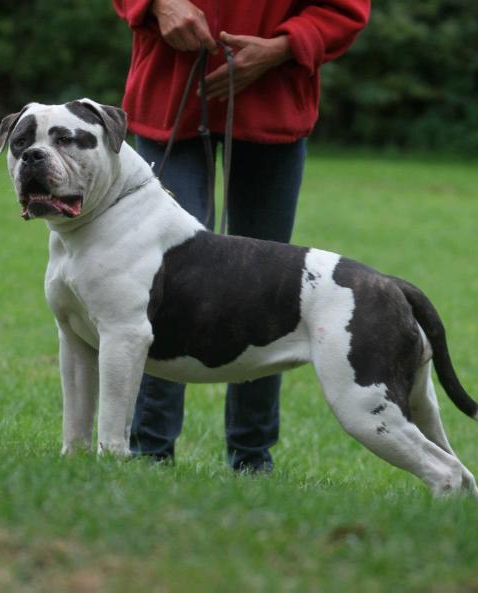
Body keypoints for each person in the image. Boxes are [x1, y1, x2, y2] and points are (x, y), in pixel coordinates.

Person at [113, 0, 370, 472]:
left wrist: (283, 47)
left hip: (274, 98)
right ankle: (149, 452)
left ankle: (252, 459)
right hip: (169, 96)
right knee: (159, 284)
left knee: (272, 292)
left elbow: (345, 8)